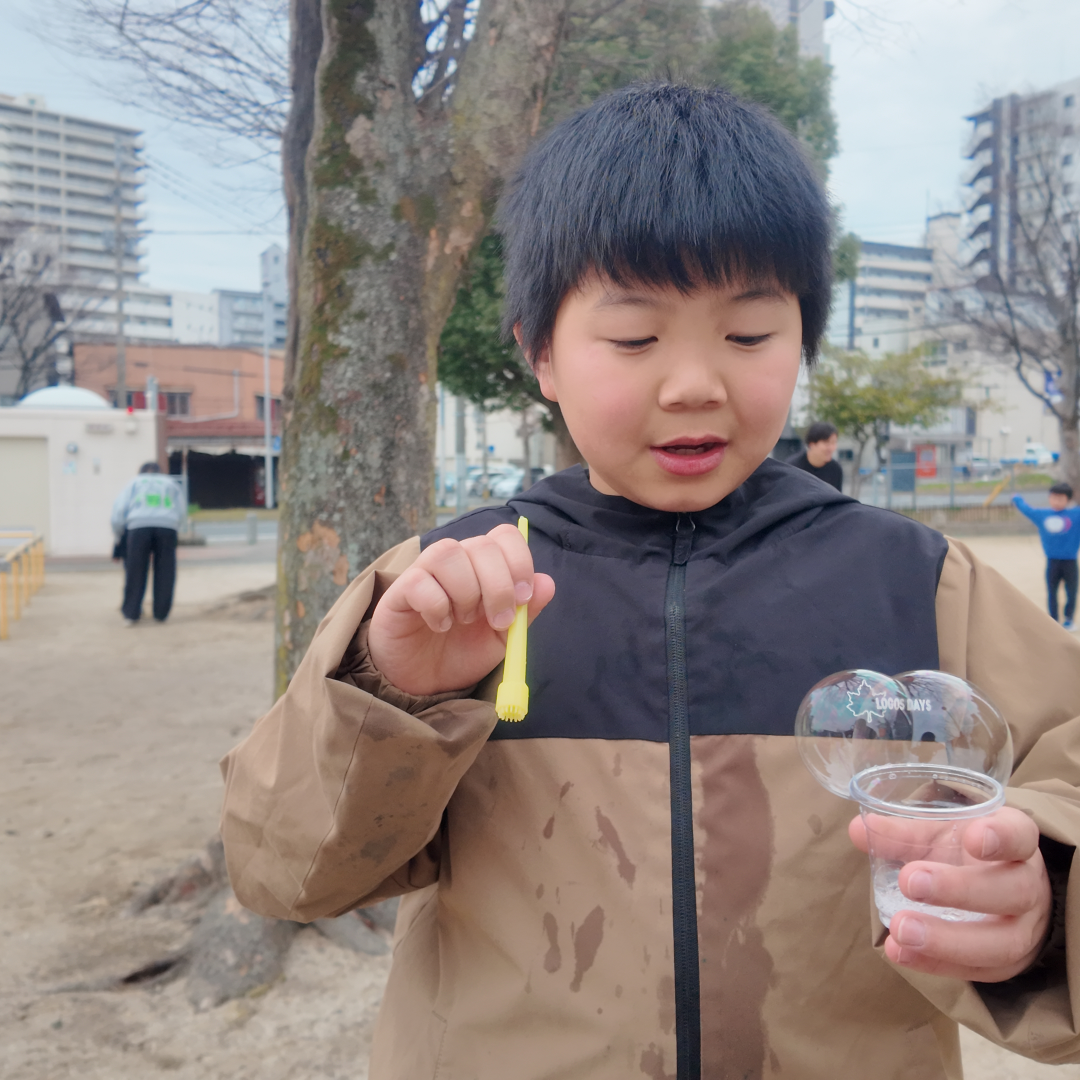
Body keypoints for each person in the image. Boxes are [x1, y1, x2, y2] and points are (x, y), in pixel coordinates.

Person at [219, 84, 1080, 1079]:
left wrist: (1043, 893)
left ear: (802, 339)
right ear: (540, 354)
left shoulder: (920, 581)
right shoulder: (436, 590)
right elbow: (282, 866)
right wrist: (396, 694)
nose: (694, 384)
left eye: (750, 334)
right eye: (634, 337)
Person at [110, 462, 185, 625]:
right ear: (160, 472)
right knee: (166, 570)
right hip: (167, 525)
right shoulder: (170, 483)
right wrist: (175, 527)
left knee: (135, 570)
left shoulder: (134, 483)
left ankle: (131, 613)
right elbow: (181, 510)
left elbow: (118, 511)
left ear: (141, 472)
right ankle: (161, 613)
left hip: (138, 526)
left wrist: (119, 535)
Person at [1014, 481, 1080, 629]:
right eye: (1054, 497)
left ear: (1067, 499)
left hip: (1070, 561)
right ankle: (1053, 620)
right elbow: (1026, 509)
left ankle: (1069, 619)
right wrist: (1016, 497)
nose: (1056, 501)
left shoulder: (1076, 515)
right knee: (1052, 592)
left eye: (1060, 498)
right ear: (1049, 498)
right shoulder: (1042, 515)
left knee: (1072, 592)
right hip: (1052, 561)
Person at [786, 419, 843, 491]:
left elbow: (838, 499)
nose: (831, 448)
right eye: (826, 442)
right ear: (811, 443)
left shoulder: (835, 469)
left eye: (834, 443)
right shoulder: (793, 467)